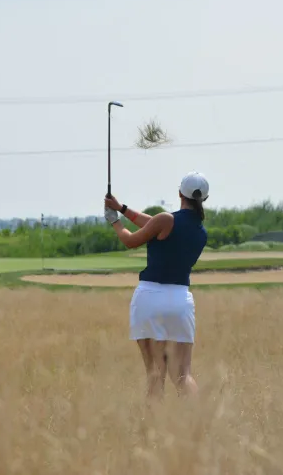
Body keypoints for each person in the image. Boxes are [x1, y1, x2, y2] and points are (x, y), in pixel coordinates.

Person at [103, 171, 209, 402]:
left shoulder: (165, 220)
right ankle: (201, 421)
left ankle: (153, 431)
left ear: (180, 193)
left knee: (155, 374)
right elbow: (153, 225)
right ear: (204, 199)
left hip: (149, 298)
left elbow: (131, 240)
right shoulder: (201, 233)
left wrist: (115, 221)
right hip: (181, 301)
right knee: (183, 375)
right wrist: (121, 208)